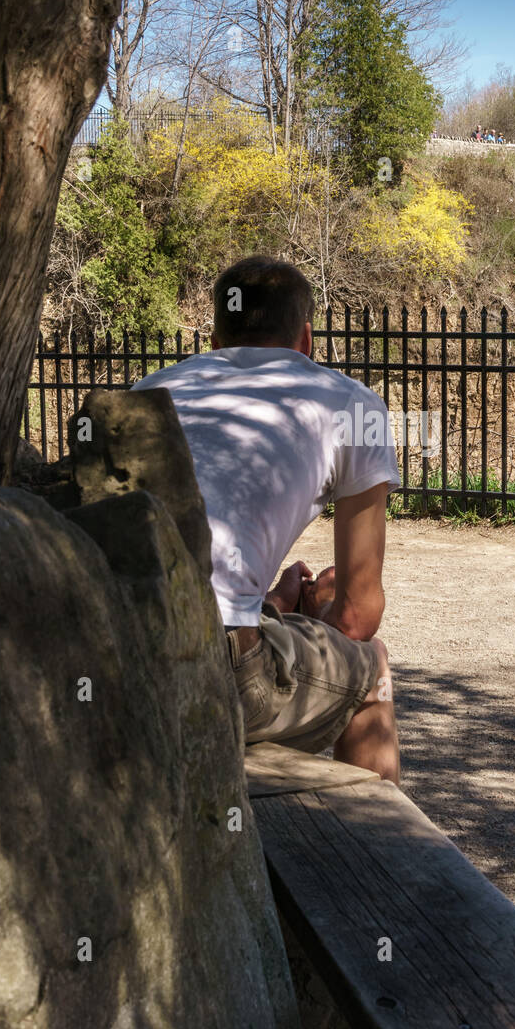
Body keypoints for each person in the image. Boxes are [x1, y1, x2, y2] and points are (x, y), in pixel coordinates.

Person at [133, 255, 402, 784]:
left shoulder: (148, 392)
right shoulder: (355, 407)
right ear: (306, 339)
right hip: (217, 675)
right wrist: (312, 615)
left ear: (214, 337)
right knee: (373, 667)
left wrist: (271, 608)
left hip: (118, 651)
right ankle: (385, 853)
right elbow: (356, 620)